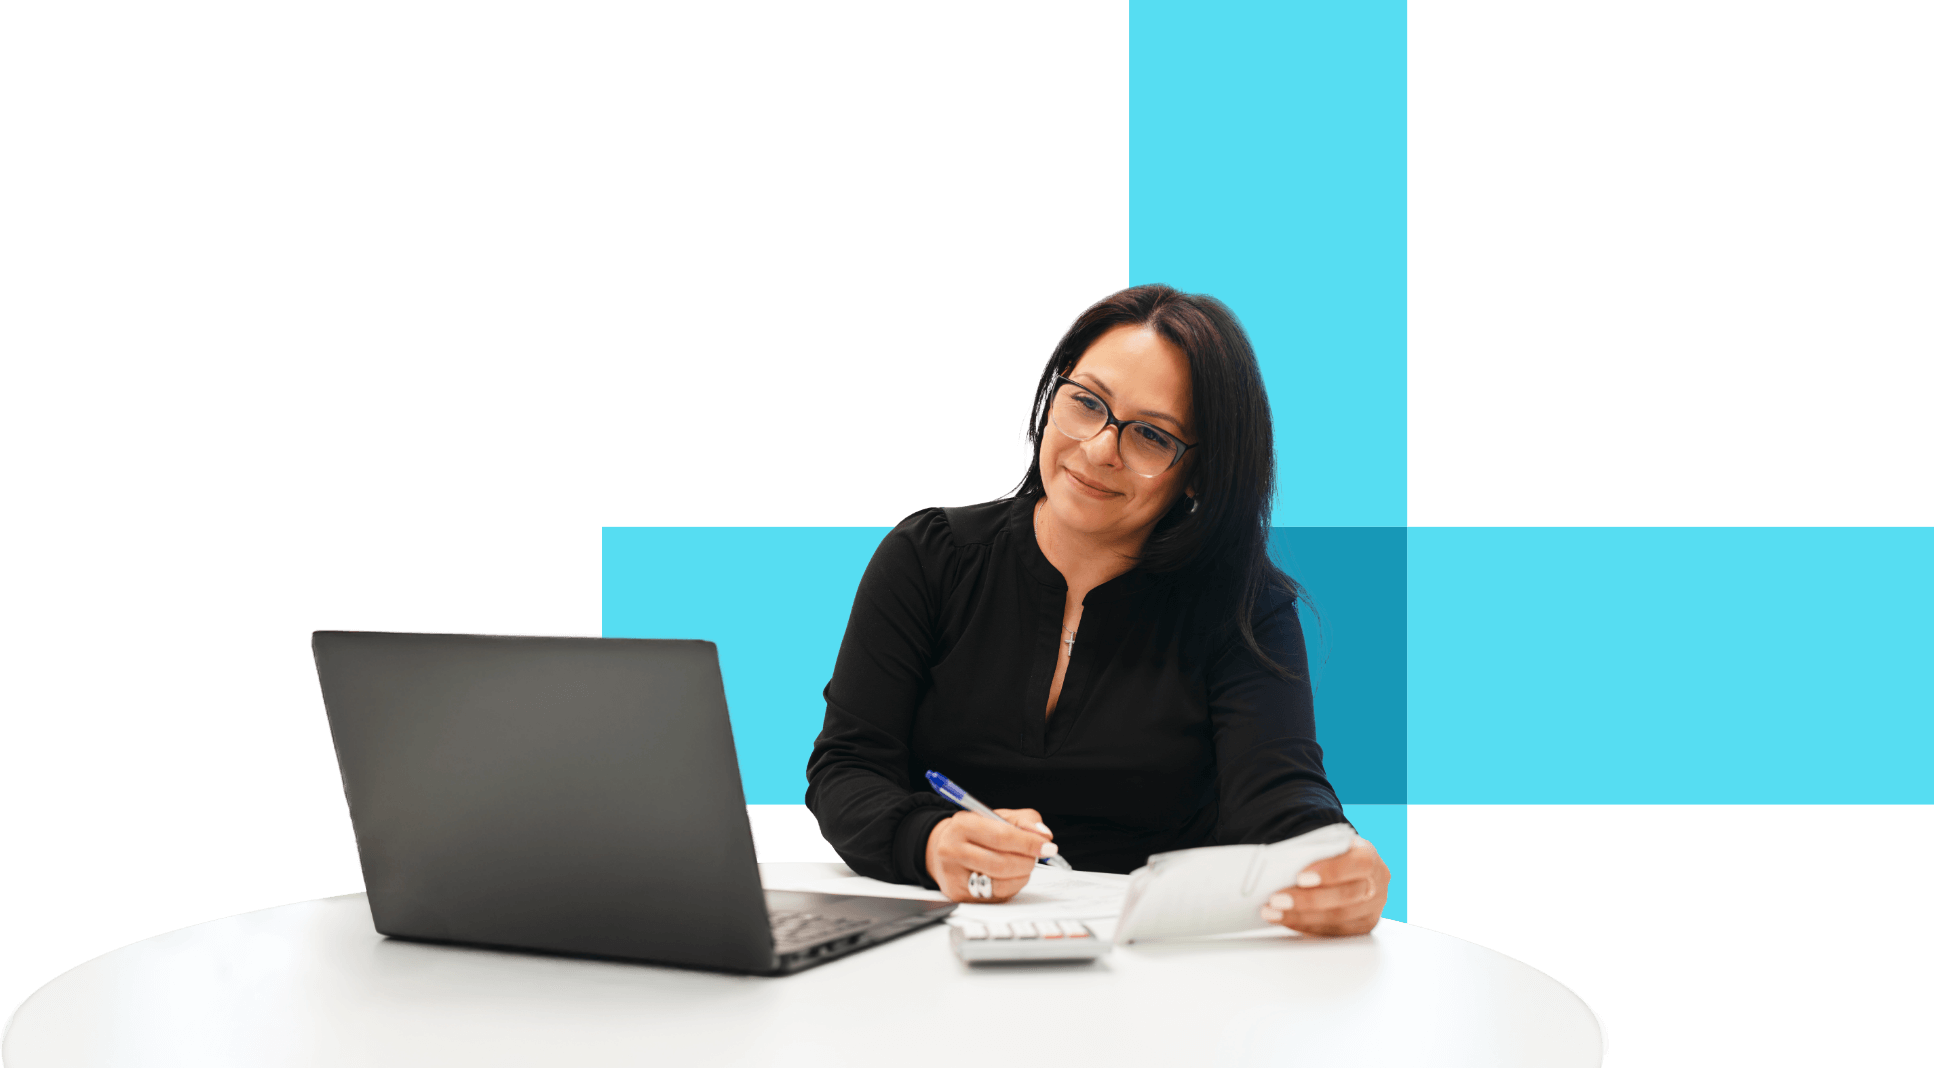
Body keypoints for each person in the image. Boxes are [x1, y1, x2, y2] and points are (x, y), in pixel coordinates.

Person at [805, 284, 1390, 937]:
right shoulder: (928, 556)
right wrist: (927, 840)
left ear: (1197, 473)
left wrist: (1330, 857)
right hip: (934, 939)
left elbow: (1280, 791)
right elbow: (848, 766)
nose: (1100, 448)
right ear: (1052, 396)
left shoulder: (1244, 608)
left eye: (1150, 435)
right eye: (1087, 403)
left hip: (1155, 967)